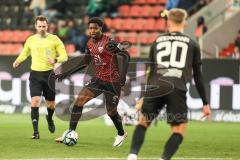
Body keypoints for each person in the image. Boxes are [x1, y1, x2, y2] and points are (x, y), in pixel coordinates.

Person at [127, 8, 211, 160]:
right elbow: (198, 76)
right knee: (178, 130)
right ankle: (163, 158)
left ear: (168, 22)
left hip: (156, 86)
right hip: (176, 87)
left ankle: (132, 155)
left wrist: (144, 96)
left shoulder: (157, 41)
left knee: (143, 122)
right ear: (185, 22)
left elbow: (150, 72)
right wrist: (205, 102)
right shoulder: (192, 44)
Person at [55, 17, 130, 147]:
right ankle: (70, 132)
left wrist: (122, 77)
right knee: (78, 102)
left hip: (112, 82)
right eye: (90, 28)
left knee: (111, 111)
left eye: (95, 28)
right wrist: (67, 73)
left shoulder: (109, 42)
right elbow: (85, 61)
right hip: (98, 79)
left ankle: (121, 133)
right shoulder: (89, 42)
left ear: (100, 28)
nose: (92, 30)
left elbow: (126, 55)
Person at [13, 16, 68, 139]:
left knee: (51, 105)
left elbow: (64, 55)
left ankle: (49, 118)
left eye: (44, 26)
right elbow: (25, 53)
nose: (42, 28)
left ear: (47, 26)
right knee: (35, 101)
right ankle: (36, 132)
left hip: (49, 75)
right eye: (39, 26)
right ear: (35, 27)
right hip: (35, 75)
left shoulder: (55, 39)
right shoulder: (31, 40)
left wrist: (55, 59)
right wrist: (18, 60)